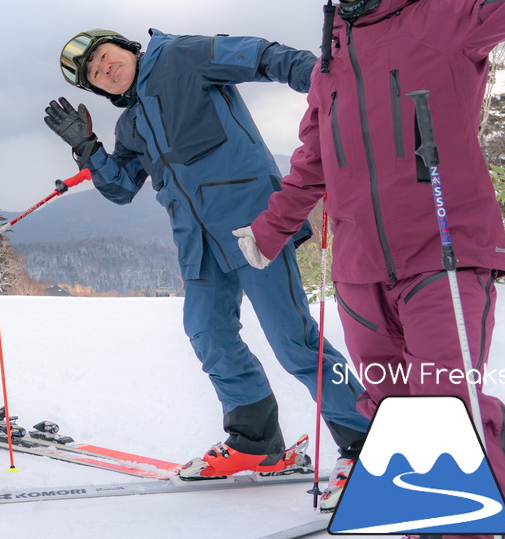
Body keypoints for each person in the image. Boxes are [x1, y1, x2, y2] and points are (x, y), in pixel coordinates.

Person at [239, 0, 505, 528]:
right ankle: (423, 515)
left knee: (450, 404)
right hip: (361, 270)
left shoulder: (446, 13)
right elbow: (314, 158)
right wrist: (269, 231)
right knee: (392, 407)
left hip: (443, 250)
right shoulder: (331, 59)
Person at [44, 26, 368, 509]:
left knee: (292, 340)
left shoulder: (181, 55)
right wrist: (88, 148)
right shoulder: (130, 126)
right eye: (93, 73)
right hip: (196, 244)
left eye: (105, 56)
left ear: (127, 48)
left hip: (253, 225)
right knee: (207, 333)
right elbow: (121, 188)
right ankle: (256, 443)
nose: (104, 69)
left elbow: (261, 56)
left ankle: (367, 441)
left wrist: (333, 81)